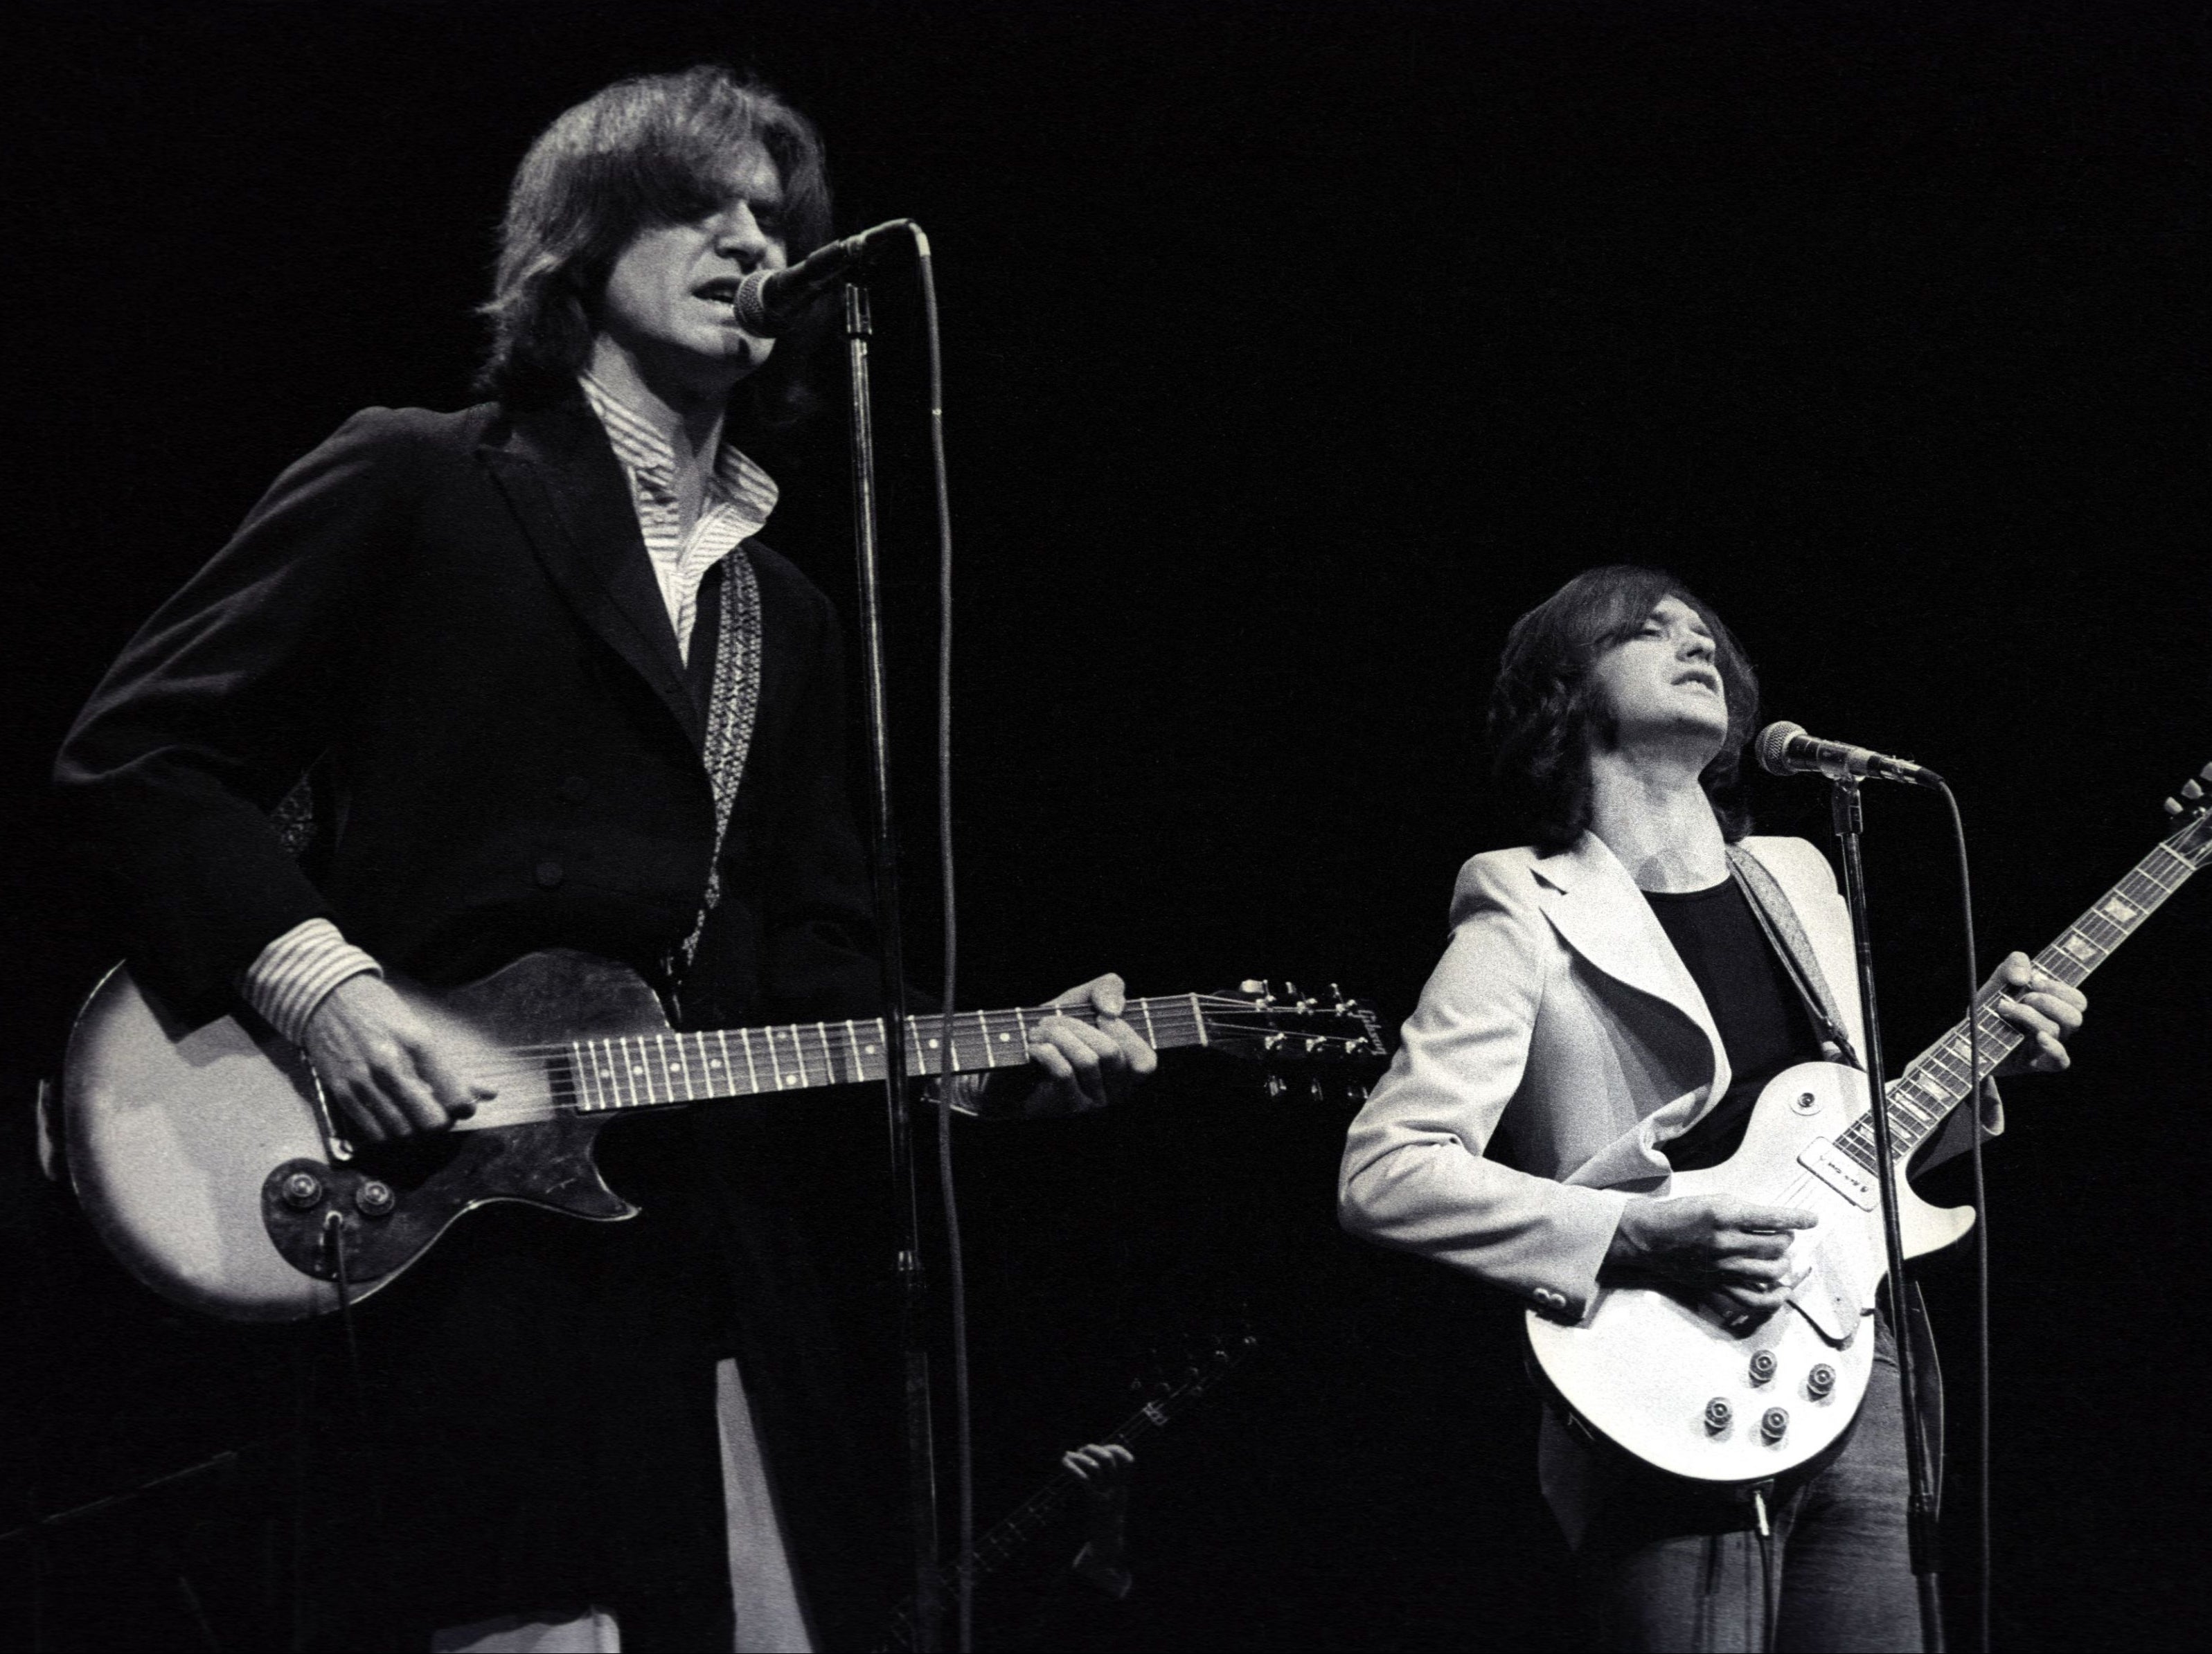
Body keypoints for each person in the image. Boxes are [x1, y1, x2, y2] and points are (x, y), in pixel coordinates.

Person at [57, 66, 1154, 1653]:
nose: (749, 242)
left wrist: (987, 1070)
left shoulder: (789, 611)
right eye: (695, 207)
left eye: (774, 220)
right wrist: (326, 990)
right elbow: (138, 753)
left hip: (696, 1260)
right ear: (576, 242)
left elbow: (821, 959)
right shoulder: (424, 475)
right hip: (443, 1224)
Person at [1337, 566, 2086, 1651]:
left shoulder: (1797, 877)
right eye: (1644, 631)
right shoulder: (1519, 899)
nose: (1693, 642)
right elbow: (1387, 1169)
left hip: (1859, 1353)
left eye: (1704, 633)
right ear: (1565, 691)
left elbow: (1850, 1139)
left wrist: (1980, 1073)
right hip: (1659, 1369)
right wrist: (1637, 1233)